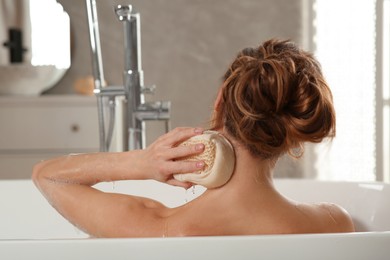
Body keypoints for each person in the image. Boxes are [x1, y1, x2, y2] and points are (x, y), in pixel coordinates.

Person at [32, 39, 355, 237]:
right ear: (293, 133)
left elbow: (48, 176)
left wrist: (142, 162)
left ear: (220, 102)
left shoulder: (160, 228)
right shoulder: (332, 221)